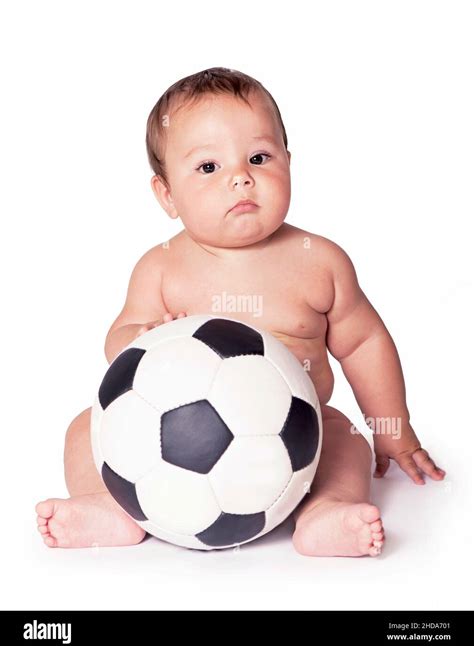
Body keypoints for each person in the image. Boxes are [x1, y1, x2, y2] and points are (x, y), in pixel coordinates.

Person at [36, 67, 445, 556]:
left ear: (289, 163)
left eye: (258, 157)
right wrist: (142, 335)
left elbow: (364, 343)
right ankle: (104, 502)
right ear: (167, 194)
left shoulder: (320, 261)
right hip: (173, 457)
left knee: (346, 437)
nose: (240, 177)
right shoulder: (162, 267)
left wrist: (392, 429)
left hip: (298, 444)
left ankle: (323, 510)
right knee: (87, 428)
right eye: (208, 167)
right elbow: (120, 340)